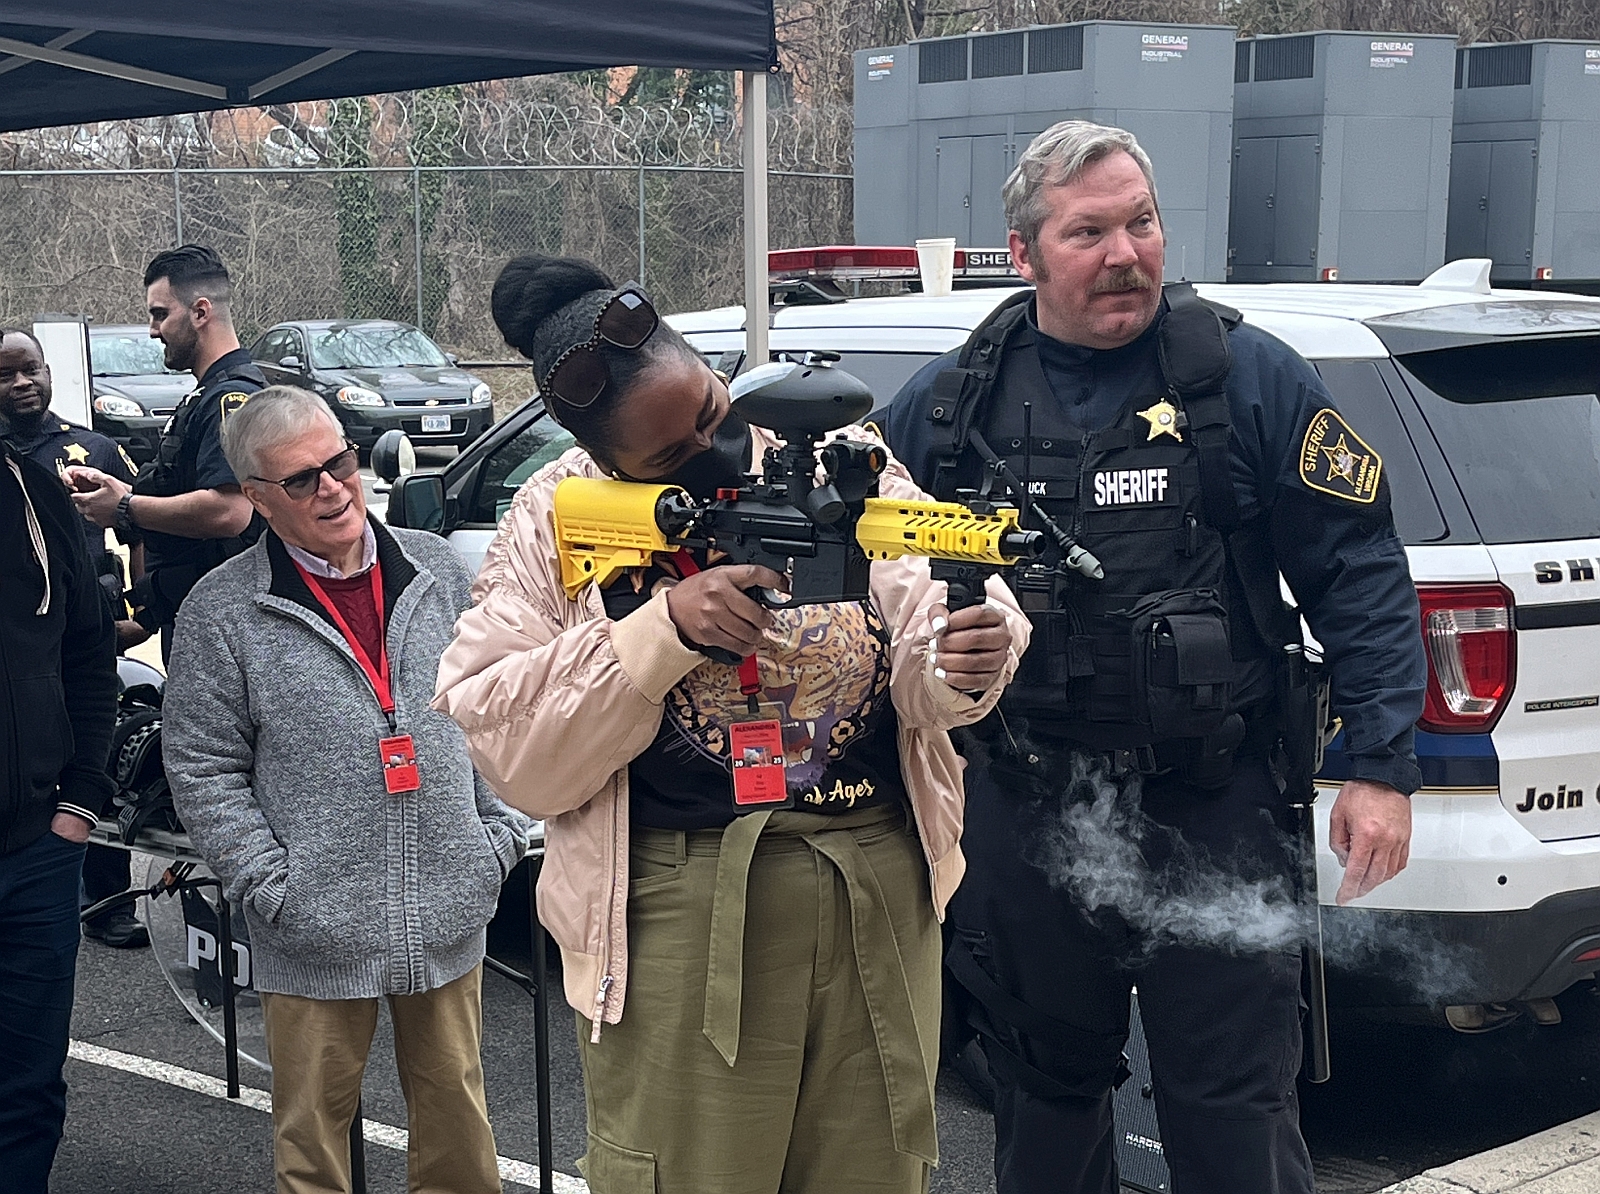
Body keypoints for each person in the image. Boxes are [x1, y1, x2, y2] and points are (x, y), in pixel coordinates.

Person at [883, 121, 1427, 1194]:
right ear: (1024, 252)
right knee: (1042, 1104)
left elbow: (1359, 572)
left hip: (1213, 805)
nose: (1125, 251)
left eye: (1141, 222)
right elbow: (869, 580)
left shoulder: (1248, 381)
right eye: (1088, 231)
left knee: (1232, 1116)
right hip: (1027, 806)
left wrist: (1380, 764)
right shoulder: (953, 404)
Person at [433, 255, 1031, 1194]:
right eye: (672, 456)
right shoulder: (553, 516)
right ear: (607, 461)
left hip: (877, 880)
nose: (718, 449)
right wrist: (662, 632)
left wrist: (968, 660)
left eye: (716, 411)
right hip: (680, 908)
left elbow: (923, 636)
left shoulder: (843, 462)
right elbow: (508, 747)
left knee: (876, 1174)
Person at [162, 386, 530, 1194]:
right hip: (312, 927)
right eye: (301, 480)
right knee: (313, 1143)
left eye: (339, 463)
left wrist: (494, 839)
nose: (332, 488)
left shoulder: (435, 566)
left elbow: (494, 708)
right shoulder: (221, 612)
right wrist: (271, 887)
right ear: (257, 499)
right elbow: (201, 767)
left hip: (446, 904)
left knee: (459, 1132)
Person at [0, 326, 151, 949]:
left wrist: (143, 610)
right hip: (30, 637)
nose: (22, 383)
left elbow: (142, 522)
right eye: (6, 374)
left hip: (94, 626)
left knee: (99, 748)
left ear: (49, 372)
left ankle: (107, 897)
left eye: (30, 369)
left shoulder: (91, 447)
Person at [0, 407, 119, 1191]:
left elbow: (87, 648)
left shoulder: (33, 490)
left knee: (27, 1089)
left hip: (34, 853)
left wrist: (81, 801)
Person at [66, 245, 264, 658]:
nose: (153, 330)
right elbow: (186, 487)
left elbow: (230, 512)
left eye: (160, 314)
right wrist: (118, 489)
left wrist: (125, 508)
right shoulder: (208, 395)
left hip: (229, 627)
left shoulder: (233, 398)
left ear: (200, 312)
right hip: (200, 616)